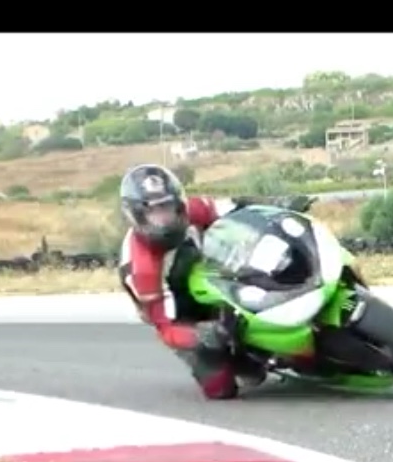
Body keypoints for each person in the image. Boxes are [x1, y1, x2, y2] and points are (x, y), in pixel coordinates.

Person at [117, 163, 311, 400]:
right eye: (154, 212)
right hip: (177, 310)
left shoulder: (192, 210)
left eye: (167, 206)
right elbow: (165, 327)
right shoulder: (141, 269)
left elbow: (239, 208)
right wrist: (201, 334)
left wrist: (277, 206)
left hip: (212, 274)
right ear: (136, 215)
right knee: (220, 388)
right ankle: (236, 359)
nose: (164, 218)